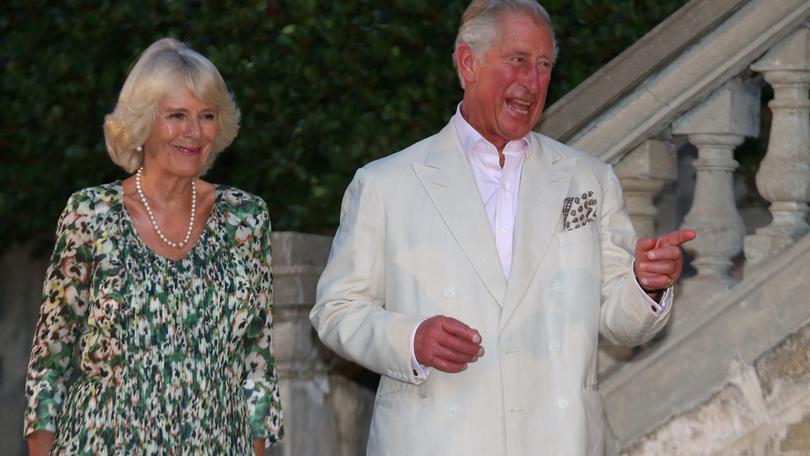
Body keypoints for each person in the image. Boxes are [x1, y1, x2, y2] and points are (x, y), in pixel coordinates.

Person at [310, 1, 696, 454]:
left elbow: (620, 321)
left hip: (559, 440)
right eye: (517, 60)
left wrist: (644, 285)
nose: (532, 82)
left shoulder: (589, 179)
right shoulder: (385, 184)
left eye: (544, 65)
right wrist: (411, 339)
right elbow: (336, 310)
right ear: (468, 63)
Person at [24, 38, 283, 455]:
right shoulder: (91, 214)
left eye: (207, 116)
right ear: (144, 123)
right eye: (176, 115)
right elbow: (50, 358)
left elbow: (256, 361)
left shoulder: (246, 219)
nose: (194, 132)